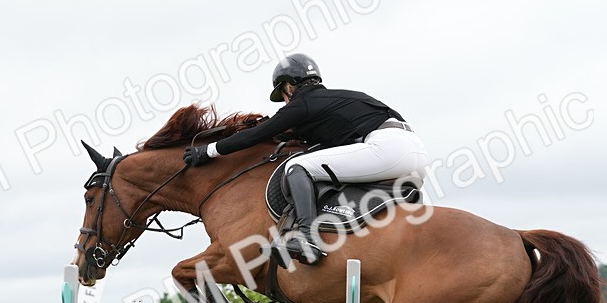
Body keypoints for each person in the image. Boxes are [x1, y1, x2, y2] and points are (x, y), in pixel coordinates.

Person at [183, 53, 429, 266]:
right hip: (415, 153)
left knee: (297, 166)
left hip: (386, 149)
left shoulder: (303, 103)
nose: (285, 100)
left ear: (289, 86)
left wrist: (208, 151)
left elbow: (258, 134)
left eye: (283, 94)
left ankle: (307, 239)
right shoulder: (341, 98)